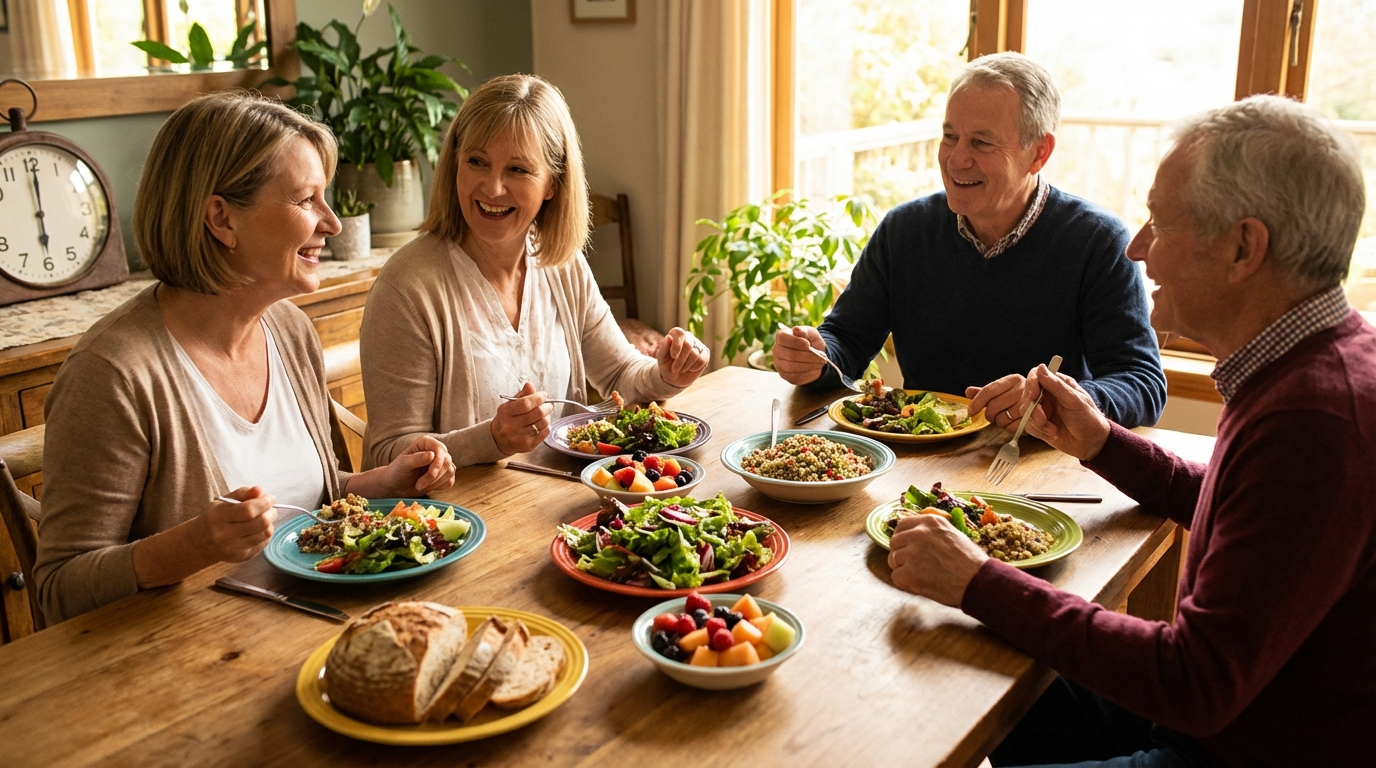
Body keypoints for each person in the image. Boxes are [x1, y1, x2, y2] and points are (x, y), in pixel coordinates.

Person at [888, 95, 1375, 766]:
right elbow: (1239, 502)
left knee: (986, 632)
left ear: (1244, 247)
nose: (1137, 247)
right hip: (1218, 718)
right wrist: (1102, 443)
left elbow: (1193, 684)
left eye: (1160, 223)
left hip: (1231, 748)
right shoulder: (1318, 360)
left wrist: (978, 580)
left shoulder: (1314, 421)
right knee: (983, 661)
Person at [34, 92, 456, 624]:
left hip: (308, 620)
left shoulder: (289, 329)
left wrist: (384, 483)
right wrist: (192, 545)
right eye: (306, 200)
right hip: (190, 651)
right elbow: (58, 590)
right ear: (222, 218)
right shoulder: (113, 373)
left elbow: (312, 500)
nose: (332, 223)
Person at [773, 53, 1166, 429]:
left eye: (981, 142)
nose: (956, 159)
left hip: (1036, 456)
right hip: (922, 457)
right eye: (950, 136)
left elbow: (1141, 383)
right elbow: (846, 341)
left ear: (1039, 153)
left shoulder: (1098, 242)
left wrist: (1059, 401)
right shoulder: (904, 230)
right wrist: (815, 358)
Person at [359, 74, 709, 470]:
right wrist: (491, 440)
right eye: (477, 162)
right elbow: (389, 451)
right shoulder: (407, 287)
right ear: (455, 163)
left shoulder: (561, 264)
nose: (493, 188)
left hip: (558, 495)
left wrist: (668, 373)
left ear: (552, 184)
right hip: (455, 508)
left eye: (518, 170)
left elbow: (620, 374)